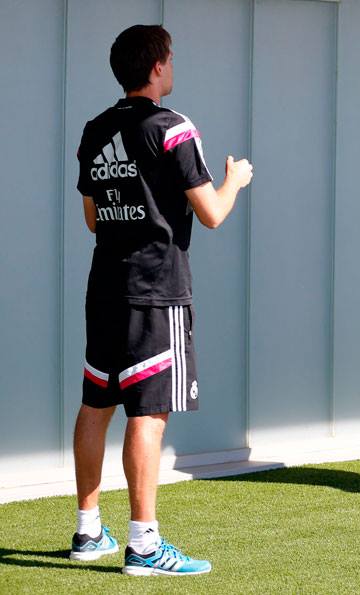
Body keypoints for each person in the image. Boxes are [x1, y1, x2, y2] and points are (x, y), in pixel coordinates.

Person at [70, 24, 253, 576]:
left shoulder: (95, 129)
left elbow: (93, 219)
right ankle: (144, 545)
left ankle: (87, 532)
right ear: (156, 66)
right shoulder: (173, 127)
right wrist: (234, 180)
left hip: (105, 288)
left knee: (96, 405)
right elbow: (212, 213)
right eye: (169, 59)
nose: (172, 67)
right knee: (148, 416)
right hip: (156, 292)